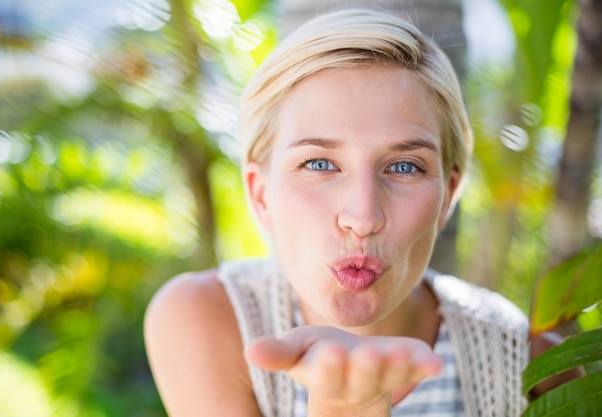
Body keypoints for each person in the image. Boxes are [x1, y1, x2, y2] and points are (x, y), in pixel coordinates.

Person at [144, 8, 578, 417]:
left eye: (404, 167)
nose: (363, 217)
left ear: (447, 196)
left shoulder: (530, 364)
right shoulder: (209, 319)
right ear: (260, 194)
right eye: (319, 164)